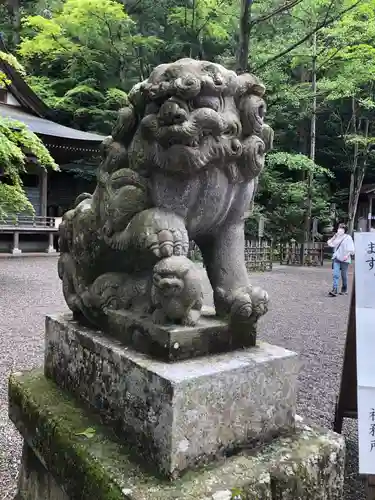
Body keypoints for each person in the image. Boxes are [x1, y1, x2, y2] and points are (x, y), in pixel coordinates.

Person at [327, 223, 355, 296]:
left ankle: (344, 289)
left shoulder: (348, 237)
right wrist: (334, 237)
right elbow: (330, 243)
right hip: (336, 258)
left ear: (344, 230)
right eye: (339, 228)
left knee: (344, 275)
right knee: (336, 274)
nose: (340, 229)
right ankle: (334, 289)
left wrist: (347, 255)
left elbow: (351, 249)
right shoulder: (336, 237)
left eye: (342, 228)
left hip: (345, 259)